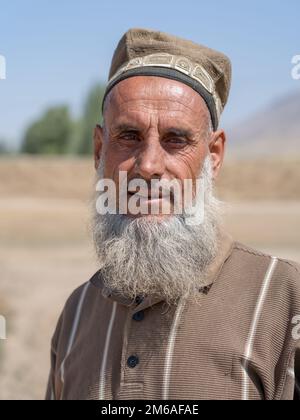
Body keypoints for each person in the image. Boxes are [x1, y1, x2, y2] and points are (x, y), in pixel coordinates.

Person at [46, 28, 300, 400]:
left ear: (213, 156)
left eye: (176, 139)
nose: (148, 165)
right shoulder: (76, 313)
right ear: (100, 150)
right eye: (129, 136)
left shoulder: (284, 299)